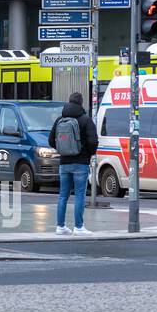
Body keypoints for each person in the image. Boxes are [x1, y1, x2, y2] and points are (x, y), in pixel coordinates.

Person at [53, 91, 99, 235]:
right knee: (79, 194)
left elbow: (50, 140)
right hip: (81, 163)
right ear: (81, 102)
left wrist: (63, 150)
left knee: (63, 195)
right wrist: (88, 153)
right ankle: (78, 227)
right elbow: (93, 141)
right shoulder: (86, 120)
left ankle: (60, 226)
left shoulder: (60, 119)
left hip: (64, 162)